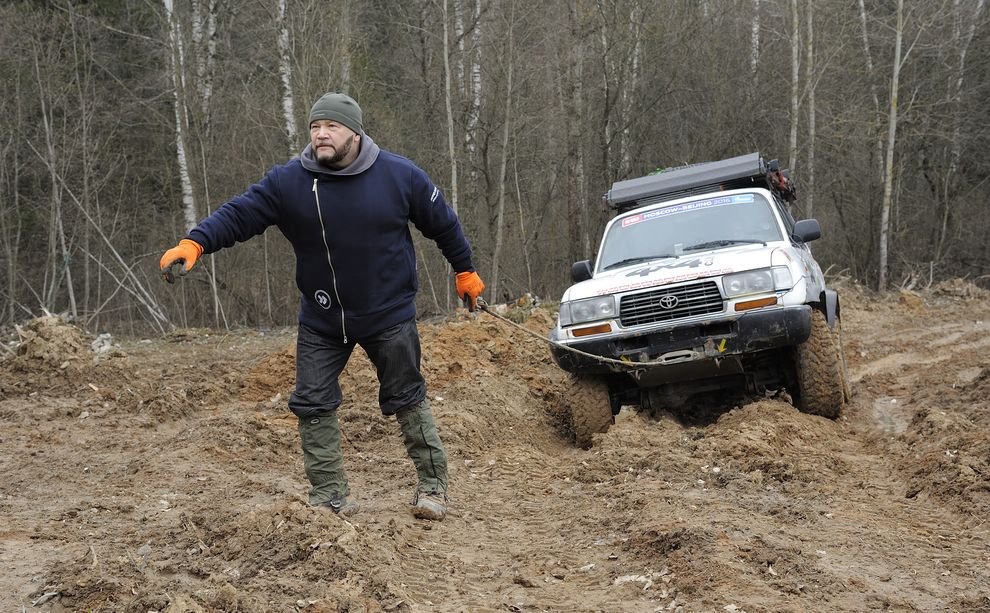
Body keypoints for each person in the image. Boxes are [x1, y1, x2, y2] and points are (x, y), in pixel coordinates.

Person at [159, 92, 485, 521]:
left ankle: (433, 485)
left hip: (387, 314)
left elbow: (444, 223)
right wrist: (195, 243)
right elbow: (239, 214)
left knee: (406, 396)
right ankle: (330, 496)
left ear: (355, 132)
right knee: (312, 402)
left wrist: (465, 270)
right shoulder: (288, 182)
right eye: (315, 127)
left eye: (332, 126)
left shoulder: (399, 175)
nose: (321, 134)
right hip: (322, 317)